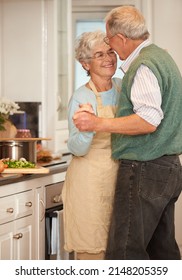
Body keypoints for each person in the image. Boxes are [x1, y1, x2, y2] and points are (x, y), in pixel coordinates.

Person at [73, 6, 182, 260]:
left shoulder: (143, 65)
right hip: (167, 168)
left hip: (145, 169)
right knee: (162, 252)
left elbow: (148, 120)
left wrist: (97, 124)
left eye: (109, 40)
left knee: (125, 254)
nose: (110, 48)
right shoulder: (160, 58)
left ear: (121, 38)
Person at [62, 30, 122, 260]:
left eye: (110, 52)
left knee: (118, 250)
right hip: (90, 183)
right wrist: (89, 129)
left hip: (118, 177)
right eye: (99, 55)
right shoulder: (81, 98)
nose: (108, 58)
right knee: (93, 250)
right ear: (85, 63)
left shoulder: (121, 88)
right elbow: (76, 148)